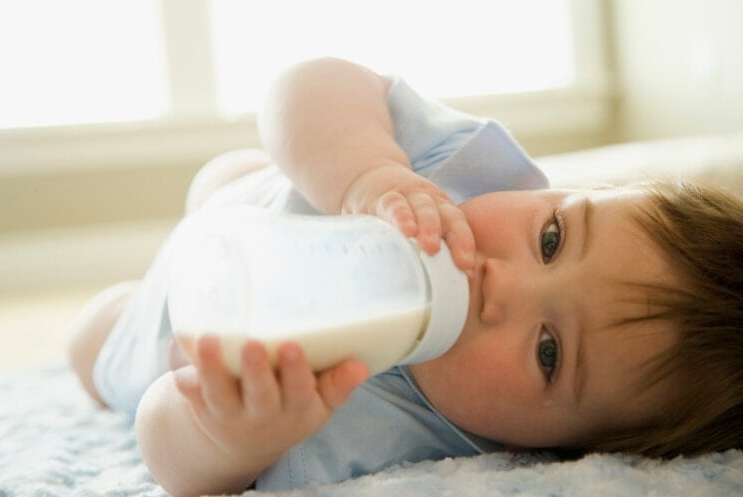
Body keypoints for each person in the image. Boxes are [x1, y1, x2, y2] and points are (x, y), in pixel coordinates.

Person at [68, 57, 743, 497]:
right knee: (239, 172)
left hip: (169, 322)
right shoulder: (458, 173)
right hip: (256, 208)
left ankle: (117, 311)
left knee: (90, 351)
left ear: (546, 450)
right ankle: (219, 196)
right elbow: (308, 86)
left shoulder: (373, 440)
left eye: (548, 353)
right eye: (552, 237)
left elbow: (165, 437)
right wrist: (367, 174)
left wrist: (230, 435)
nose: (500, 284)